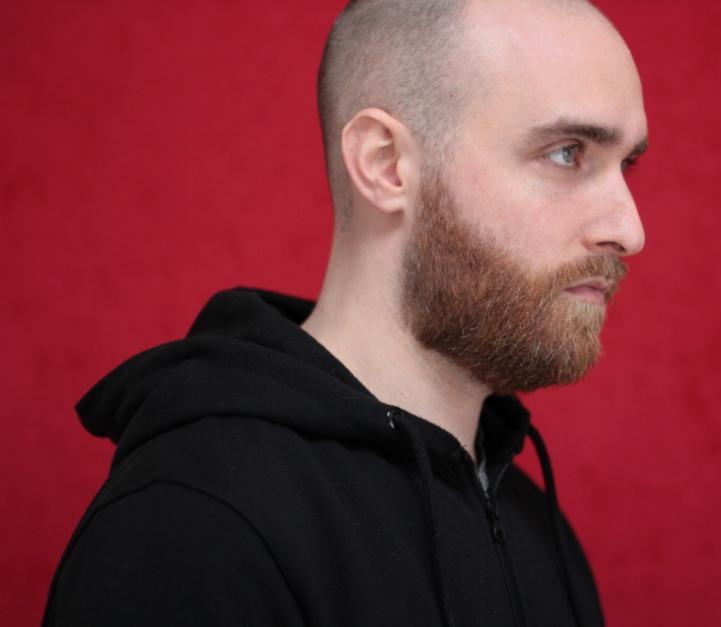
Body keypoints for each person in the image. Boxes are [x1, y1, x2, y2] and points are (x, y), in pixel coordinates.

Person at [43, 0, 648, 625]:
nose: (630, 231)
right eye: (567, 153)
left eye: (627, 165)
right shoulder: (193, 531)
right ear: (385, 164)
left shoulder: (533, 527)